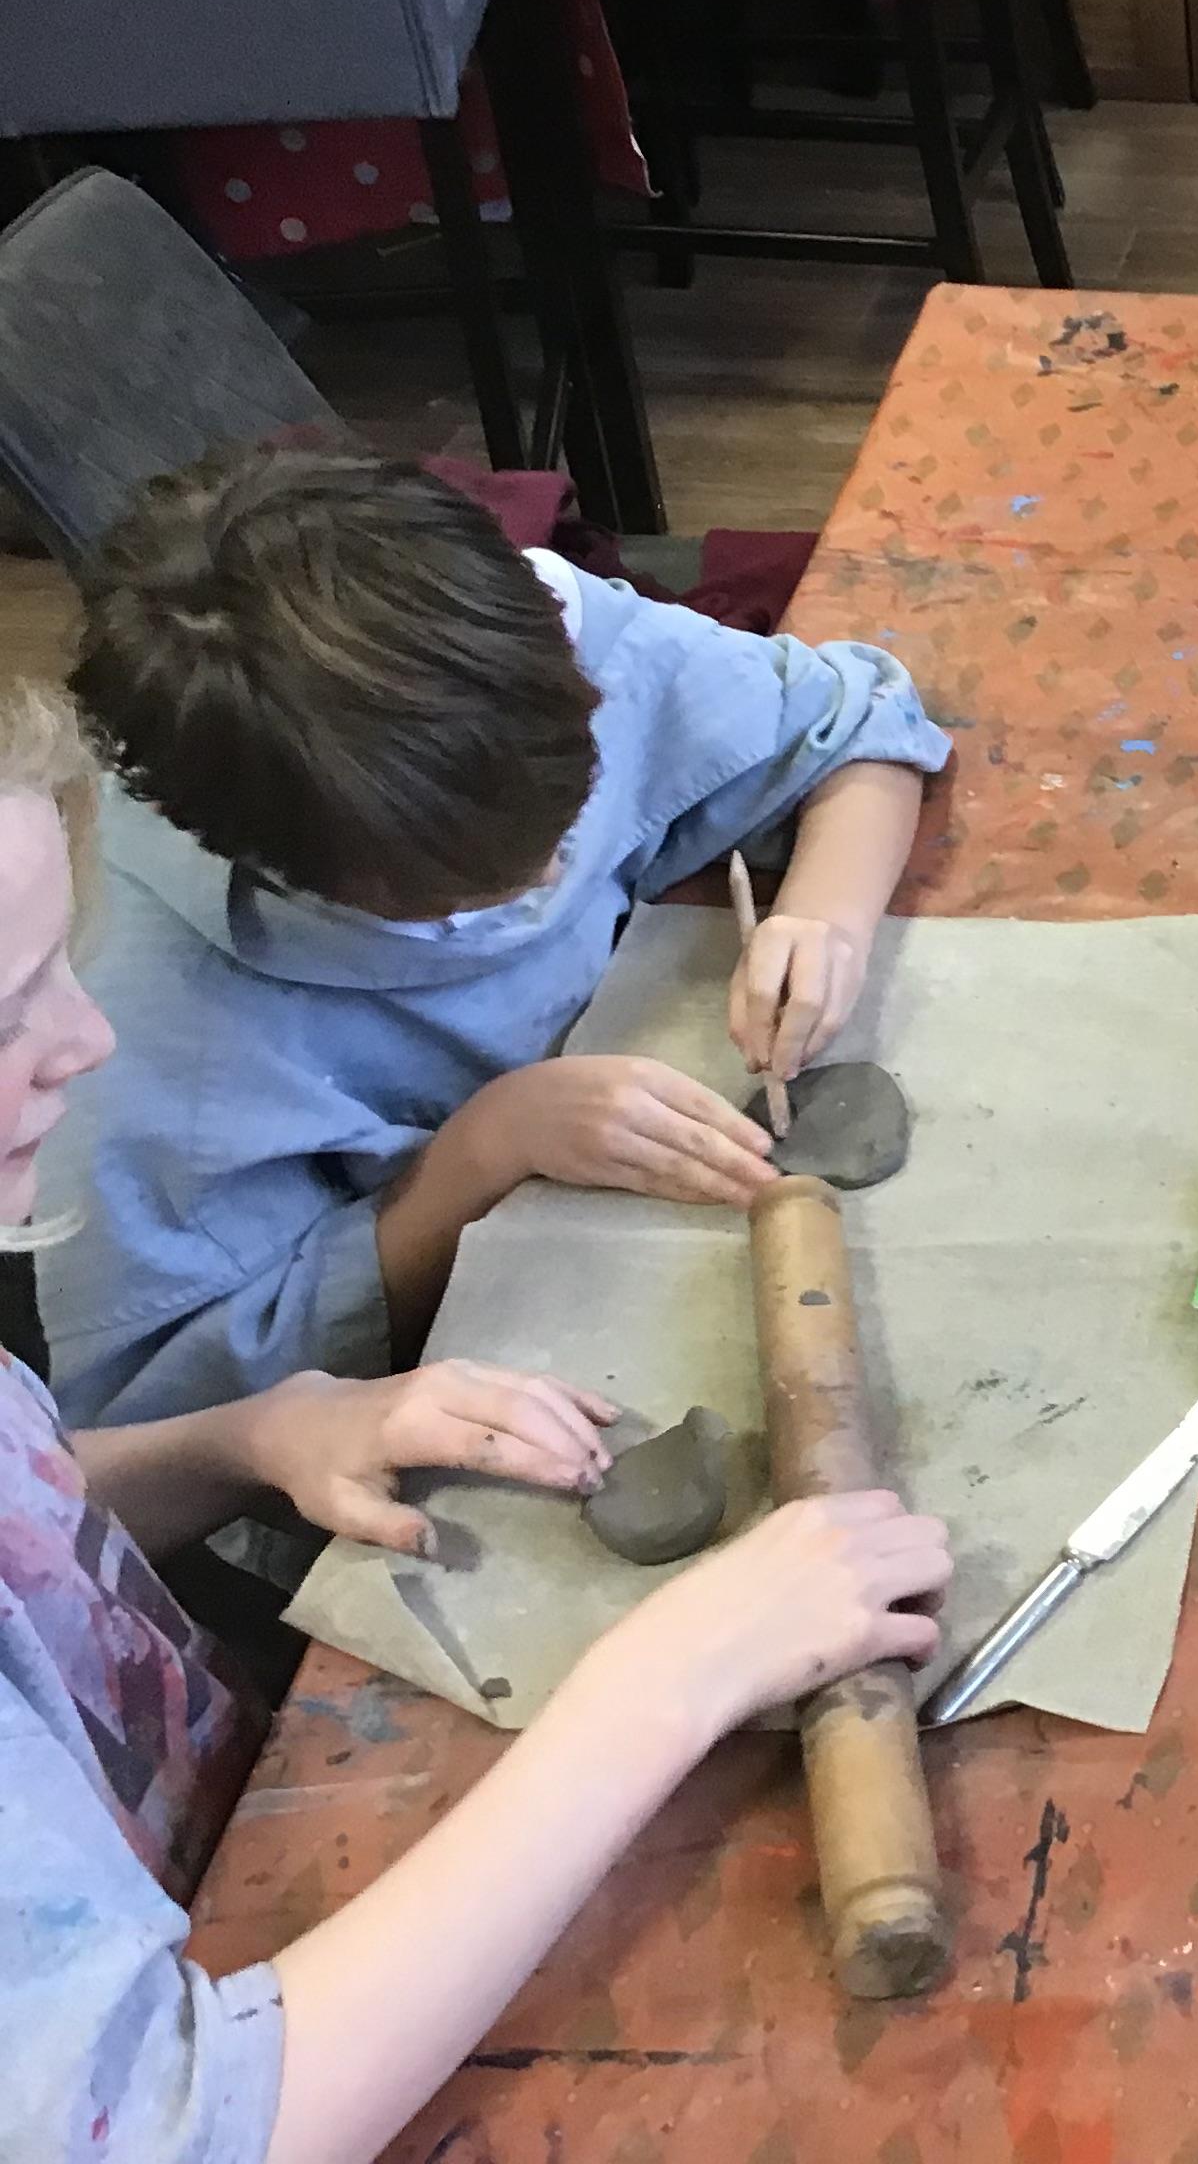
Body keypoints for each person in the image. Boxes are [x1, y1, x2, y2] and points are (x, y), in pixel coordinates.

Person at [0, 676, 956, 2164]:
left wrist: (241, 1441)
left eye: (65, 966)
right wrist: (667, 1681)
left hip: (216, 1842)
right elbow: (184, 2131)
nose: (90, 1039)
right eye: (9, 1012)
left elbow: (28, 1529)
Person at [40, 446, 952, 1430]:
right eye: (452, 894)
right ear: (288, 872)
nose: (557, 874)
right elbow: (163, 1420)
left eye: (577, 813)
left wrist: (824, 915)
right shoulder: (118, 1024)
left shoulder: (506, 655)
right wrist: (483, 1152)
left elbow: (858, 720)